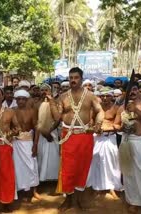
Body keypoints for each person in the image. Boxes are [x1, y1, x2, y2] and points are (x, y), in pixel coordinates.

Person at [49, 67, 104, 211]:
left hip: (85, 136)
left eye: (76, 77)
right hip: (68, 136)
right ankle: (68, 199)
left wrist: (98, 123)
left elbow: (99, 111)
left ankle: (78, 199)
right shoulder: (63, 97)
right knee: (67, 170)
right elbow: (57, 118)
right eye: (71, 77)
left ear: (81, 78)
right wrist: (51, 103)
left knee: (82, 168)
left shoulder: (90, 96)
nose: (73, 80)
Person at [114, 83, 141, 213]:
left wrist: (135, 110)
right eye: (129, 90)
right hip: (128, 142)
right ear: (125, 93)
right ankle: (133, 201)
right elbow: (116, 124)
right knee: (129, 175)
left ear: (139, 91)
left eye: (135, 89)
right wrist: (121, 128)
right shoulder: (121, 108)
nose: (132, 92)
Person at [87, 87, 122, 198]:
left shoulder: (117, 108)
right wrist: (95, 128)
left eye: (107, 96)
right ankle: (97, 187)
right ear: (100, 97)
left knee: (112, 162)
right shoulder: (95, 108)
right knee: (96, 161)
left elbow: (118, 125)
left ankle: (112, 187)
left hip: (110, 138)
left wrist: (106, 129)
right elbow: (90, 123)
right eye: (103, 96)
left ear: (112, 96)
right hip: (97, 138)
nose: (105, 98)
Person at [0, 87, 20, 212]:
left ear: (2, 96)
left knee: (6, 175)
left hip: (5, 147)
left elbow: (17, 128)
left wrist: (12, 133)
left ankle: (7, 201)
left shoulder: (10, 112)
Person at [13, 89, 40, 201]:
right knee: (18, 168)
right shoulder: (11, 111)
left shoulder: (32, 111)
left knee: (31, 166)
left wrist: (35, 145)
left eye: (23, 99)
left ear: (27, 100)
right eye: (18, 99)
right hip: (16, 143)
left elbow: (37, 128)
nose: (20, 101)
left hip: (28, 142)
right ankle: (20, 191)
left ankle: (34, 191)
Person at [36, 84, 59, 183]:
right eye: (42, 90)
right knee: (42, 155)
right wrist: (44, 132)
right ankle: (42, 179)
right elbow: (36, 121)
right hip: (41, 134)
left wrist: (49, 131)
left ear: (50, 92)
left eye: (46, 90)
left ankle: (53, 179)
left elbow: (58, 119)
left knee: (53, 157)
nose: (44, 92)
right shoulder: (36, 104)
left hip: (52, 133)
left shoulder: (55, 103)